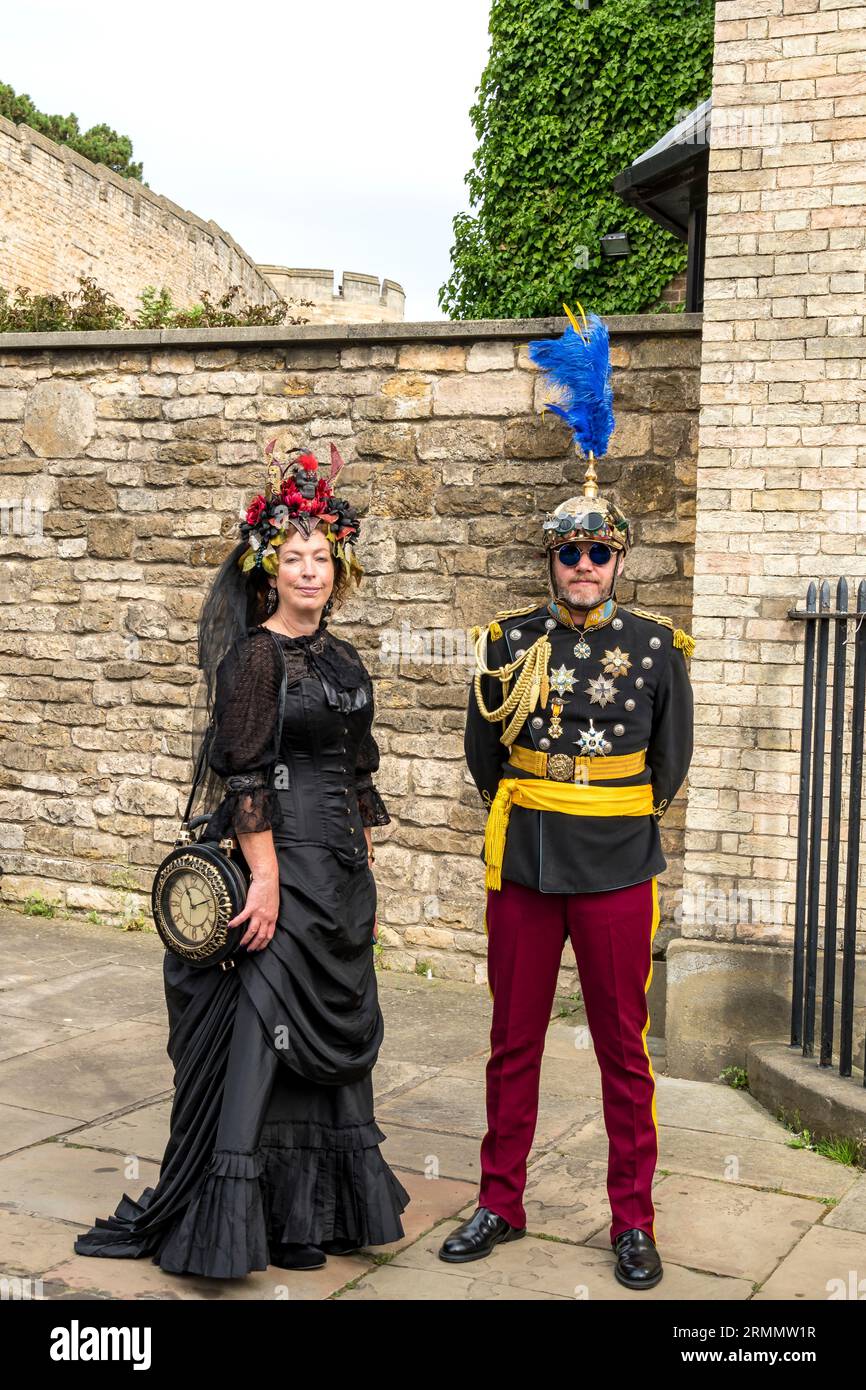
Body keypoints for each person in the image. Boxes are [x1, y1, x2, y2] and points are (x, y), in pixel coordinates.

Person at [73, 437, 409, 1278]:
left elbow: (356, 762)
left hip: (337, 874)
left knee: (326, 1048)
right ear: (269, 569)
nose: (309, 570)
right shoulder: (255, 656)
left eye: (320, 557)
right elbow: (245, 772)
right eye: (294, 557)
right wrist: (266, 878)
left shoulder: (342, 657)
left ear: (338, 569)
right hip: (280, 865)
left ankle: (309, 1218)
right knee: (265, 1033)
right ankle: (237, 1221)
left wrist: (359, 847)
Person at [438, 306, 694, 1290]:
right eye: (565, 552)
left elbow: (666, 763)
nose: (580, 565)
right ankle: (497, 1198)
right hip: (527, 860)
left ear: (617, 558)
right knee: (511, 1042)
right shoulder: (505, 642)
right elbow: (480, 754)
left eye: (597, 553)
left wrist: (612, 811)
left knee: (623, 1055)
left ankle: (632, 1217)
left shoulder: (654, 647)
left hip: (617, 863)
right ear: (547, 558)